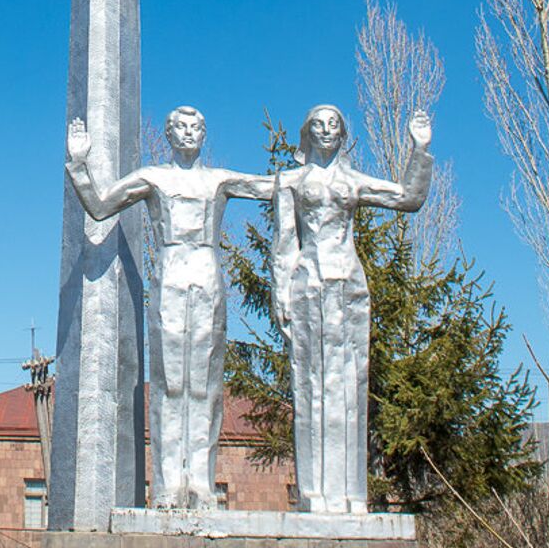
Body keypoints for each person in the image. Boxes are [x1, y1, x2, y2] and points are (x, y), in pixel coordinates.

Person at [66, 107, 269, 509]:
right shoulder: (154, 177)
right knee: (169, 384)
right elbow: (102, 205)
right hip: (171, 274)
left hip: (208, 275)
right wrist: (79, 163)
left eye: (197, 127)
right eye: (181, 127)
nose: (190, 133)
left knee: (205, 386)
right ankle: (168, 486)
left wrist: (309, 166)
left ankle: (201, 484)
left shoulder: (219, 179)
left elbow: (272, 189)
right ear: (170, 134)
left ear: (205, 135)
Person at [272, 104, 433, 514]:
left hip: (349, 283)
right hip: (308, 280)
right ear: (307, 132)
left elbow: (409, 198)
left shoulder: (353, 181)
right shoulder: (290, 180)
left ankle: (350, 492)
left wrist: (420, 149)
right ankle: (314, 492)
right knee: (310, 385)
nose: (326, 131)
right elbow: (285, 243)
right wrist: (280, 292)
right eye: (319, 125)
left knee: (349, 385)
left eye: (334, 125)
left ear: (342, 134)